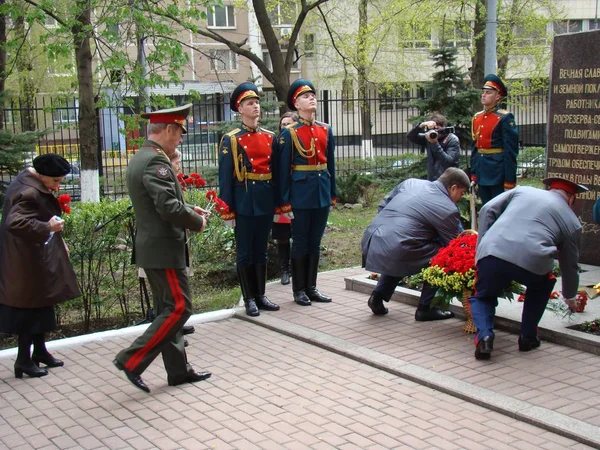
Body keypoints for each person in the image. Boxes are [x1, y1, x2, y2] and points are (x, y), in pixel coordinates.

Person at [113, 104, 211, 393]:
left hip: (155, 247)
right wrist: (196, 221)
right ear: (168, 129)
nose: (180, 139)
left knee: (168, 309)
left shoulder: (143, 157)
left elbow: (161, 203)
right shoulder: (156, 161)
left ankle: (179, 371)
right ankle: (131, 360)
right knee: (180, 307)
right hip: (163, 249)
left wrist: (187, 208)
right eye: (179, 132)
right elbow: (168, 208)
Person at [468, 177, 587, 360]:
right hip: (532, 262)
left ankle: (484, 336)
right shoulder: (572, 222)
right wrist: (570, 296)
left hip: (493, 252)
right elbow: (569, 264)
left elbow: (487, 209)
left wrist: (481, 247)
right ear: (571, 198)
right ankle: (527, 337)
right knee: (542, 285)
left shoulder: (522, 191)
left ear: (549, 189)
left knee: (483, 295)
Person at [0, 154, 81, 379]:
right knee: (29, 309)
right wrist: (48, 227)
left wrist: (57, 239)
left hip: (33, 255)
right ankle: (23, 361)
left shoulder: (31, 182)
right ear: (42, 175)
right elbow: (16, 222)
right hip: (25, 260)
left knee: (41, 303)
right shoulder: (29, 191)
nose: (58, 186)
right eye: (56, 181)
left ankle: (40, 351)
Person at [362, 167, 469, 319]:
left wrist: (392, 229)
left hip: (372, 238)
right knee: (442, 254)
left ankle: (377, 297)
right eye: (462, 193)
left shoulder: (411, 183)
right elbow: (453, 244)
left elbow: (383, 205)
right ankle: (426, 308)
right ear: (453, 188)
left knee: (403, 247)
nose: (460, 198)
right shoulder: (447, 208)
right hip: (399, 247)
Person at [218, 82, 280, 317]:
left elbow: (276, 172)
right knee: (245, 252)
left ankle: (261, 295)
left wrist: (278, 203)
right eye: (249, 104)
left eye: (256, 103)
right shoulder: (232, 139)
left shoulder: (269, 137)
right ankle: (249, 299)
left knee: (261, 251)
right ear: (240, 109)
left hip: (264, 199)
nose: (255, 107)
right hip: (244, 200)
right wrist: (227, 210)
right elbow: (225, 177)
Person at [277, 79, 336, 306]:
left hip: (321, 191)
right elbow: (282, 172)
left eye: (312, 95)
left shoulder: (325, 129)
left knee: (315, 242)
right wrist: (284, 202)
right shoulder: (289, 133)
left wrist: (331, 193)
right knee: (300, 242)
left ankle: (312, 287)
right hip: (300, 195)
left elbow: (330, 165)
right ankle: (299, 290)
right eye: (305, 96)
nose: (311, 98)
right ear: (296, 104)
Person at [470, 74, 519, 205]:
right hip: (481, 170)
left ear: (497, 96)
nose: (484, 95)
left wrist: (509, 179)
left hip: (497, 172)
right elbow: (475, 148)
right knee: (485, 208)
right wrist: (473, 173)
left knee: (499, 210)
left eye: (488, 92)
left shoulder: (504, 118)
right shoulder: (477, 118)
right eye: (483, 92)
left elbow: (510, 150)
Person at [272, 111, 298, 285]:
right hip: (281, 195)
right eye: (283, 124)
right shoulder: (275, 144)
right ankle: (285, 270)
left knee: (298, 234)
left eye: (289, 124)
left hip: (298, 194)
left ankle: (297, 269)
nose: (285, 127)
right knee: (282, 235)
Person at [406, 112, 460, 181]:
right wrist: (421, 126)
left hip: (448, 181)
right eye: (433, 129)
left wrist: (434, 143)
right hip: (433, 180)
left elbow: (447, 161)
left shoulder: (452, 139)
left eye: (438, 128)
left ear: (444, 127)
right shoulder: (429, 137)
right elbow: (410, 136)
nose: (436, 132)